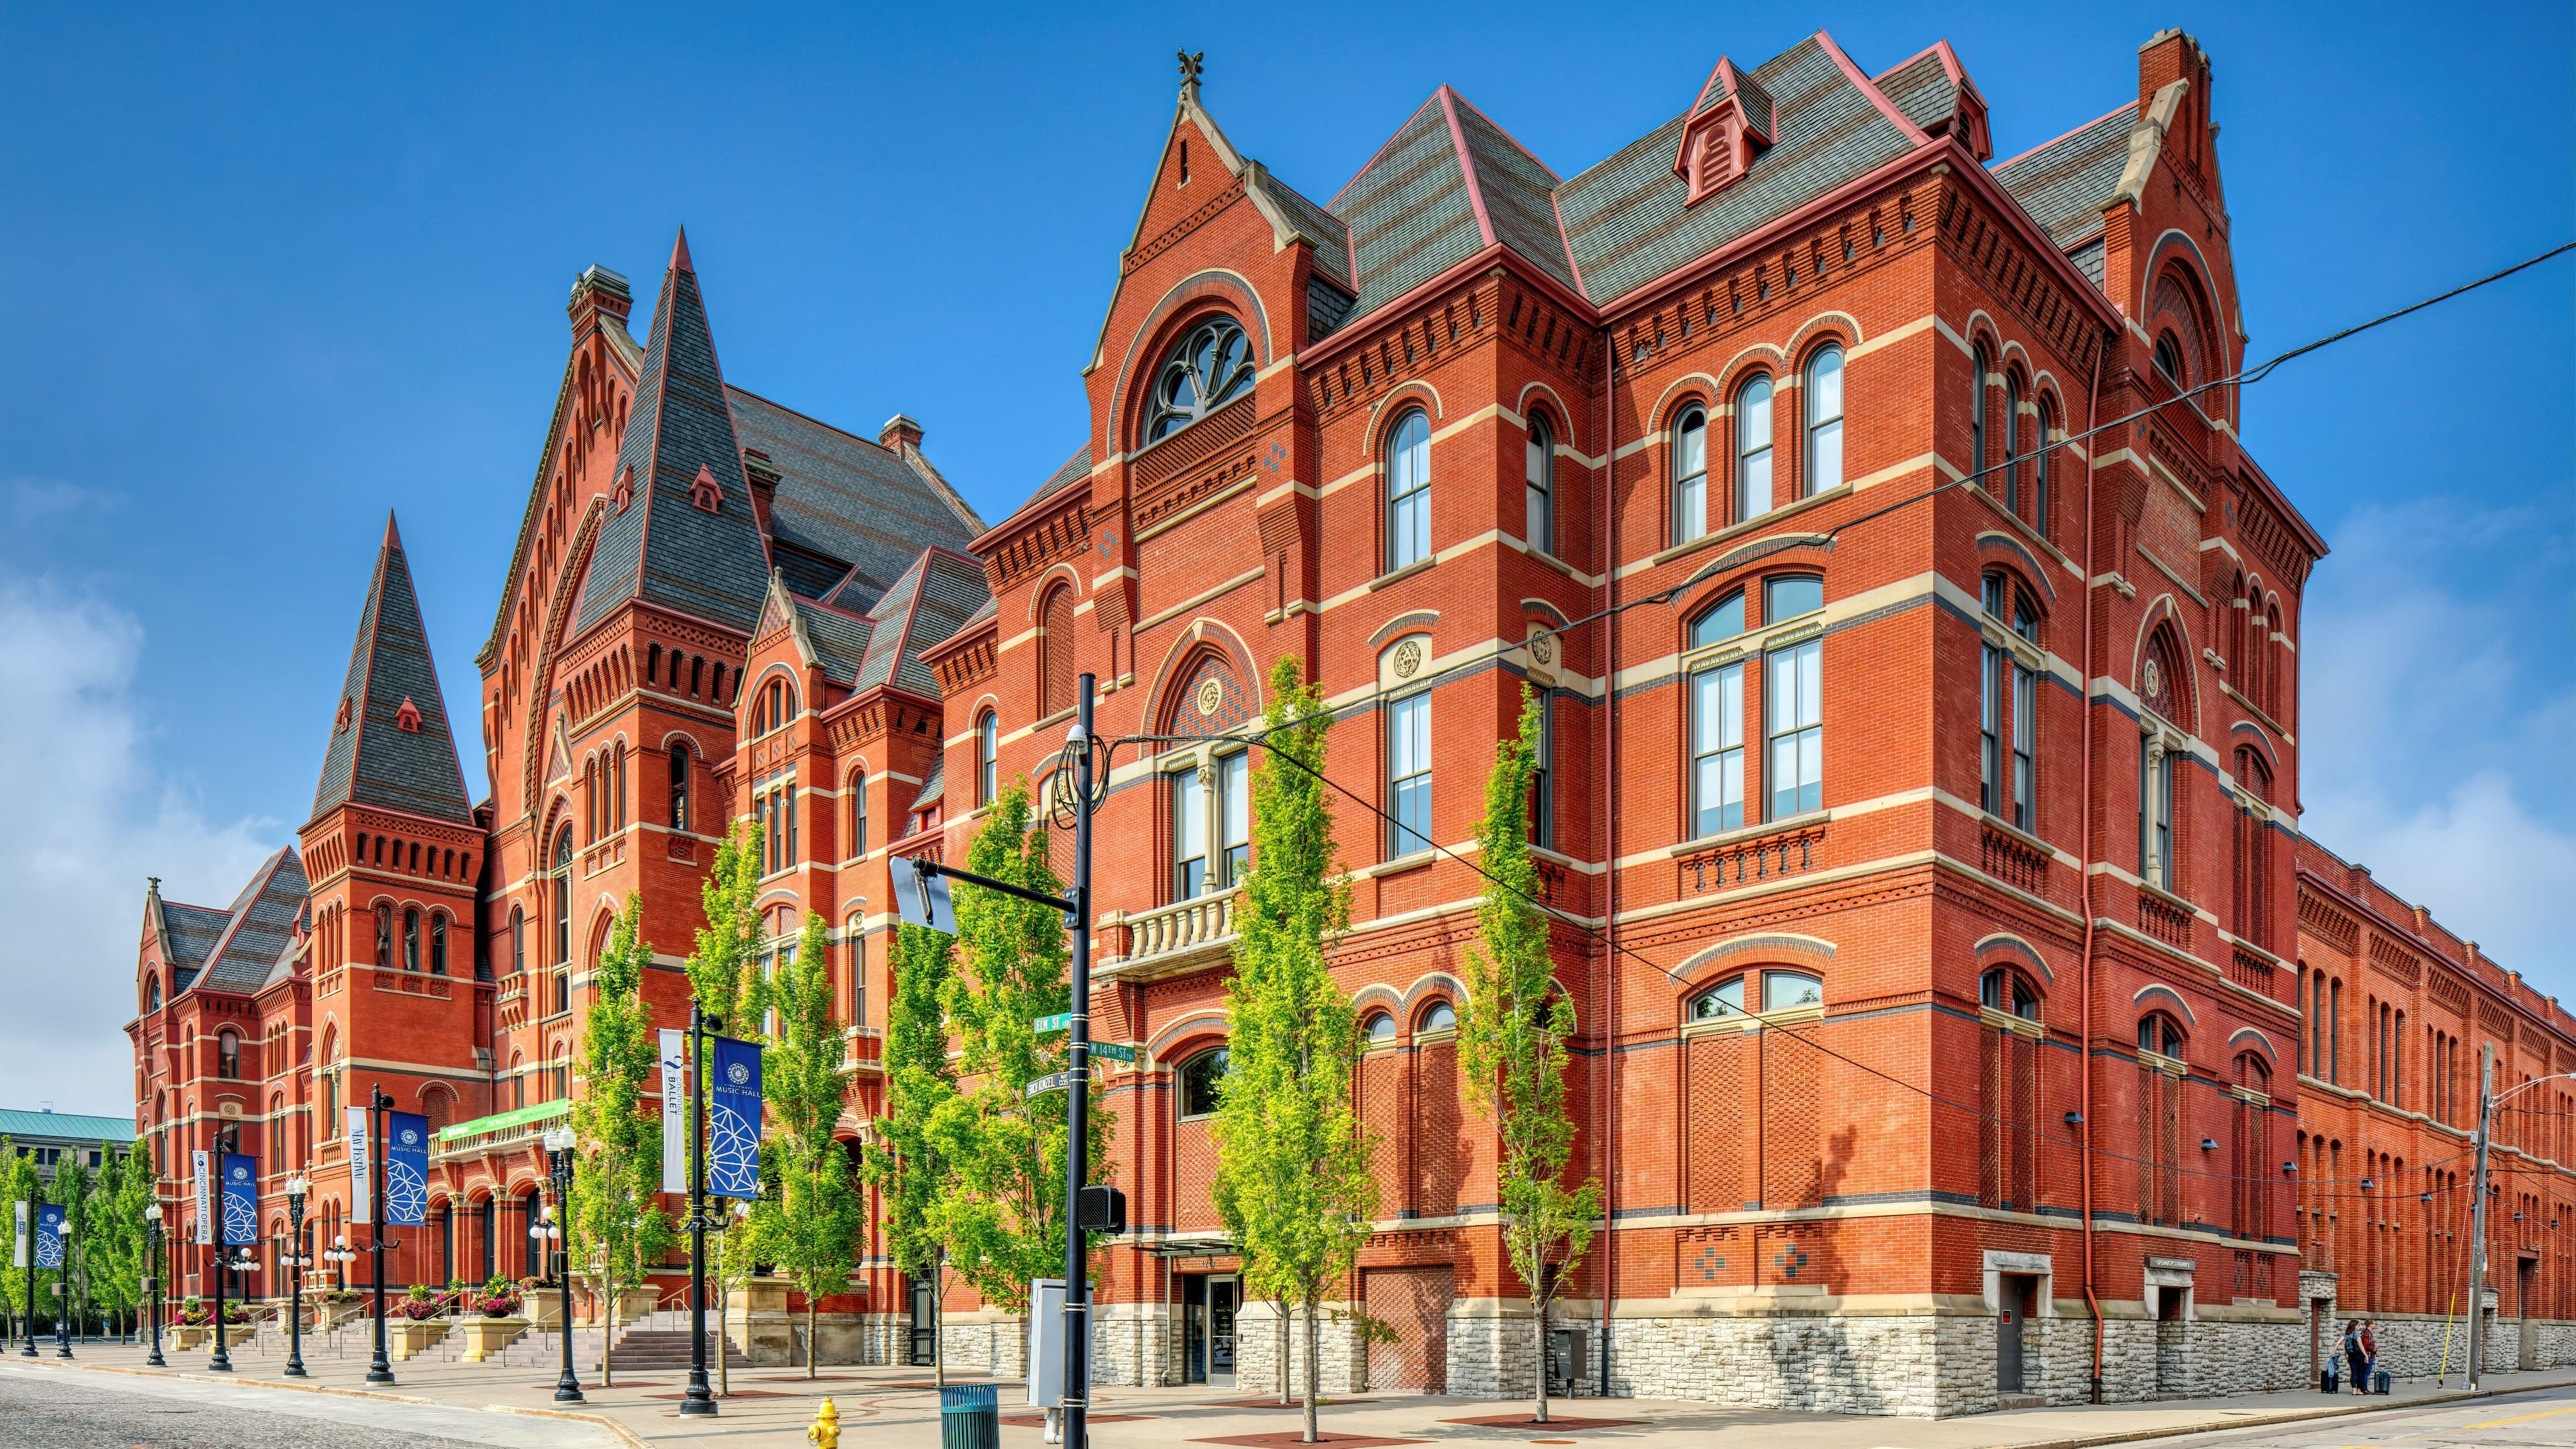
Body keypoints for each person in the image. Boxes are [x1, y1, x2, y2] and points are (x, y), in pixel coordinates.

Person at [2343, 1320, 2367, 1395]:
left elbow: (2338, 1343)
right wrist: (2366, 1355)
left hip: (2351, 1356)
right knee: (2359, 1373)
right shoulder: (2357, 1333)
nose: (2359, 1327)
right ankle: (2359, 1390)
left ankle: (2354, 1390)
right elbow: (2360, 1345)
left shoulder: (2347, 1334)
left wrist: (2333, 1352)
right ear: (2355, 1326)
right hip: (2359, 1355)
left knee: (2353, 1373)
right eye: (2359, 1325)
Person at [2362, 1320, 2379, 1392]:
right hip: (2368, 1355)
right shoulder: (2367, 1334)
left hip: (2367, 1355)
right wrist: (2375, 1350)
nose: (2376, 1325)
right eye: (2375, 1323)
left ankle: (2364, 1388)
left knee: (2365, 1373)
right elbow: (2366, 1346)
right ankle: (2365, 1389)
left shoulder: (2365, 1333)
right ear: (2370, 1325)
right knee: (2366, 1373)